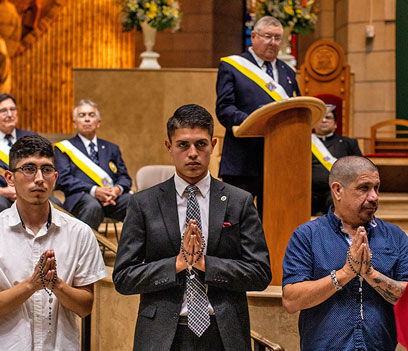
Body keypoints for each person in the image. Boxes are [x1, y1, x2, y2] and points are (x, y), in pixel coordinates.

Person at [113, 104, 271, 351]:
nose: (193, 153)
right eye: (183, 145)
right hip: (162, 334)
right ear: (169, 147)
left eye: (201, 144)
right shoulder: (143, 203)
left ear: (214, 145)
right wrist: (177, 264)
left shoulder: (239, 201)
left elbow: (260, 273)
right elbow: (123, 278)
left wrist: (204, 264)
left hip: (223, 332)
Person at [282, 156, 408, 351]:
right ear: (338, 190)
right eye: (364, 188)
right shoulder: (307, 236)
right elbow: (291, 300)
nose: (374, 197)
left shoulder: (395, 237)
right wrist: (345, 273)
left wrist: (371, 275)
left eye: (377, 188)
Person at [0, 135, 107, 350]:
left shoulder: (80, 233)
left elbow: (85, 307)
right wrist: (32, 285)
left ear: (55, 177)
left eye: (46, 170)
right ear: (10, 178)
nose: (39, 178)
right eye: (29, 169)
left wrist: (56, 285)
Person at [216, 16, 300, 217]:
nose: (273, 42)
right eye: (268, 36)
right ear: (253, 36)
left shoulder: (287, 71)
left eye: (278, 38)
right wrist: (256, 121)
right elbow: (224, 109)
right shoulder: (233, 67)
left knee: (275, 218)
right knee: (236, 220)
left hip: (279, 161)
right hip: (242, 160)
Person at [54, 99, 132, 230]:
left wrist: (116, 190)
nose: (87, 119)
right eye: (82, 115)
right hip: (82, 199)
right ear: (74, 123)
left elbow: (125, 177)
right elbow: (63, 179)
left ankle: (130, 250)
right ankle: (83, 250)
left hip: (112, 199)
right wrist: (95, 191)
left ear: (98, 122)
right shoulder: (64, 148)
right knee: (93, 206)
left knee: (136, 203)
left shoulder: (112, 148)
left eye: (91, 115)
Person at [311, 105, 362, 215]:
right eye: (320, 118)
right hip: (309, 193)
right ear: (313, 123)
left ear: (335, 124)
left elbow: (361, 170)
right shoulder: (304, 143)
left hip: (336, 193)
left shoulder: (349, 143)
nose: (324, 121)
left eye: (328, 118)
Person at [0, 93, 35, 211]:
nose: (10, 115)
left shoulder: (31, 138)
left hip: (31, 191)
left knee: (55, 204)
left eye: (12, 109)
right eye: (3, 111)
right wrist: (4, 191)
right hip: (2, 195)